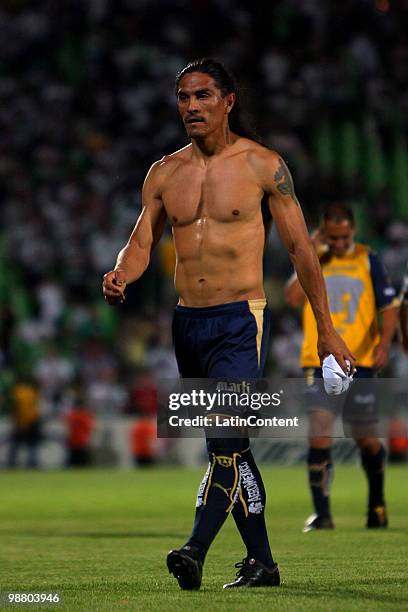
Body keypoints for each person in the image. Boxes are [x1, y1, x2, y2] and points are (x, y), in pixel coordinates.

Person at [102, 58, 354, 591]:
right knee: (231, 448)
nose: (191, 106)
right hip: (186, 324)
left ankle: (195, 548)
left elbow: (301, 250)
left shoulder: (264, 166)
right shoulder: (164, 172)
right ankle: (262, 563)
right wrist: (123, 271)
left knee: (223, 442)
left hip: (240, 320)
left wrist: (328, 329)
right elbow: (143, 240)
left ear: (228, 102)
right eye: (183, 97)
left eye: (202, 96)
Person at [285, 203, 399, 532]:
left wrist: (384, 344)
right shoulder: (314, 258)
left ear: (353, 231)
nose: (337, 243)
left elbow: (388, 306)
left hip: (360, 359)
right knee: (320, 431)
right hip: (320, 360)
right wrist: (312, 247)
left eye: (343, 236)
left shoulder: (368, 259)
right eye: (331, 237)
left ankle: (376, 504)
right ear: (323, 232)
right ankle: (323, 514)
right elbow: (292, 298)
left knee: (364, 436)